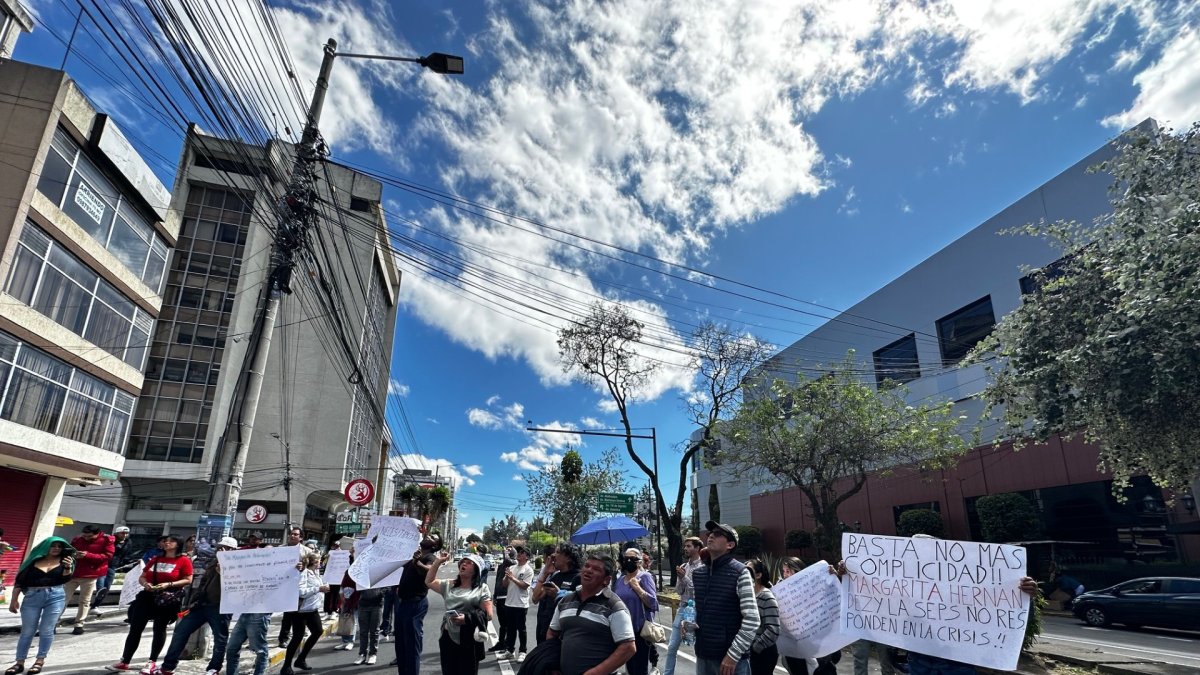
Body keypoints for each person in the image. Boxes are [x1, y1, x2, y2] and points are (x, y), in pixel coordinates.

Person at [111, 534, 194, 674]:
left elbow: (188, 579)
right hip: (147, 596)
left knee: (159, 629)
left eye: (171, 541)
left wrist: (169, 584)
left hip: (166, 598)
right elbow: (142, 575)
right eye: (165, 541)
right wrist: (145, 583)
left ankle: (152, 661)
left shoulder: (183, 560)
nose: (167, 543)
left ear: (178, 544)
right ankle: (125, 660)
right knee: (135, 628)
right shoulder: (156, 558)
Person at [158, 537, 238, 675]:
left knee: (220, 638)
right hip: (202, 605)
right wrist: (195, 601)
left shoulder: (238, 565)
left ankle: (214, 668)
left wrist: (224, 571)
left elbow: (236, 586)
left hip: (220, 607)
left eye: (226, 548)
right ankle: (168, 666)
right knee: (181, 632)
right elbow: (204, 583)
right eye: (220, 547)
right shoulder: (213, 562)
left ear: (233, 551)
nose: (221, 550)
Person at [546, 553, 637, 675]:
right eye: (587, 566)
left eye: (596, 569)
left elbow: (628, 647)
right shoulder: (565, 601)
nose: (588, 571)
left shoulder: (615, 607)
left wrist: (594, 673)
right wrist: (554, 665)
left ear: (606, 580)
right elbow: (552, 632)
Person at [693, 521, 760, 675]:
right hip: (703, 654)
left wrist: (733, 655)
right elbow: (699, 611)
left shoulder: (740, 572)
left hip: (731, 661)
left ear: (730, 545)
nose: (711, 536)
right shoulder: (698, 573)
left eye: (718, 534)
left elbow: (752, 619)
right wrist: (688, 623)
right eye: (710, 533)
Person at [6, 537, 76, 675]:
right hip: (32, 597)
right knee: (27, 631)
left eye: (59, 546)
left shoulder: (64, 561)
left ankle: (39, 661)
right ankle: (19, 663)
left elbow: (65, 579)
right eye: (53, 546)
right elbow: (20, 582)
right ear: (45, 547)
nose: (56, 548)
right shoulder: (33, 561)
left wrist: (68, 567)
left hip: (55, 596)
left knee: (46, 630)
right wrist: (14, 600)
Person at [425, 551, 493, 675]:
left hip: (468, 638)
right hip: (448, 636)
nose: (464, 564)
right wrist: (438, 562)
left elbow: (488, 614)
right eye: (463, 562)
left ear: (476, 570)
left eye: (469, 563)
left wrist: (467, 618)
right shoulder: (449, 585)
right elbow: (429, 582)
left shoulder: (482, 589)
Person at [393, 532, 441, 675]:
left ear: (435, 546)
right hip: (403, 603)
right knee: (400, 645)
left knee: (412, 646)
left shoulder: (430, 558)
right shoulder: (416, 555)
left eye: (433, 538)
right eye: (429, 535)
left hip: (415, 604)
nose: (428, 537)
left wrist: (417, 562)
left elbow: (431, 570)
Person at [280, 553, 328, 675]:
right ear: (313, 562)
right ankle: (286, 666)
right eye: (318, 561)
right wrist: (318, 589)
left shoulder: (316, 574)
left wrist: (323, 589)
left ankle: (301, 659)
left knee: (318, 631)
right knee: (297, 637)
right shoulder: (304, 573)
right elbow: (301, 592)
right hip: (300, 612)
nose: (320, 563)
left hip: (312, 610)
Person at [614, 547, 659, 675]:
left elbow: (653, 604)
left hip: (640, 631)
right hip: (623, 631)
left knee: (639, 669)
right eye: (626, 559)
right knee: (630, 667)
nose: (628, 561)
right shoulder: (619, 580)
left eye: (632, 559)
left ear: (639, 562)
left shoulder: (645, 577)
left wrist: (638, 588)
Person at [664, 535, 704, 675]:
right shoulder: (684, 566)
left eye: (689, 546)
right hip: (683, 608)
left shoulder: (703, 567)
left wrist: (684, 578)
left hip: (697, 609)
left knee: (698, 647)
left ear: (697, 548)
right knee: (672, 646)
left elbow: (698, 590)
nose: (685, 548)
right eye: (685, 546)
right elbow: (679, 591)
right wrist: (681, 579)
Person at [64, 524, 115, 635]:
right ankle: (52, 623)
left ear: (97, 534)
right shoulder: (78, 539)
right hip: (73, 573)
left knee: (84, 601)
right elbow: (69, 550)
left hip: (90, 574)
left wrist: (88, 555)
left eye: (90, 536)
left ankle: (79, 624)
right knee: (62, 599)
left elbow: (107, 556)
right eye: (85, 536)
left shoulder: (106, 540)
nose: (86, 538)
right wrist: (74, 555)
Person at [532, 543, 582, 644]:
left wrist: (559, 595)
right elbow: (535, 598)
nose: (553, 555)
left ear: (568, 558)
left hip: (560, 637)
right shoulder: (555, 576)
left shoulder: (579, 578)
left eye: (558, 552)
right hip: (544, 631)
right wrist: (545, 573)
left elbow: (579, 606)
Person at [277, 527, 313, 648]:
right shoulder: (281, 549)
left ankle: (297, 634)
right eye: (291, 534)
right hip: (283, 585)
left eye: (296, 534)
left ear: (301, 537)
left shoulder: (307, 551)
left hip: (299, 586)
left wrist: (303, 567)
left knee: (297, 613)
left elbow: (313, 568)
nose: (292, 536)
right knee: (287, 614)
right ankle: (283, 638)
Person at [498, 545, 534, 662]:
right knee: (511, 629)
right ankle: (510, 650)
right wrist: (507, 577)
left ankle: (523, 651)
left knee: (521, 629)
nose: (519, 554)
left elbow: (524, 586)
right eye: (518, 552)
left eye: (522, 552)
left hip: (521, 604)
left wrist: (512, 578)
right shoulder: (512, 567)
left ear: (527, 556)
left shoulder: (528, 569)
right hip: (509, 602)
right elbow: (504, 584)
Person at [745, 560, 780, 675]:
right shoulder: (747, 595)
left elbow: (773, 629)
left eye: (749, 570)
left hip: (762, 653)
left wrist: (755, 648)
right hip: (748, 651)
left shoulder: (766, 597)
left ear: (759, 575)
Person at [93, 526, 137, 615]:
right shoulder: (110, 540)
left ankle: (95, 606)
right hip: (103, 564)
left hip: (113, 566)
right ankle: (94, 605)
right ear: (117, 533)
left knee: (106, 587)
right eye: (122, 533)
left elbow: (125, 555)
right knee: (100, 586)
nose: (124, 535)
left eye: (126, 534)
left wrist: (130, 561)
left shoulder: (128, 543)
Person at [488, 547, 516, 656]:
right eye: (506, 550)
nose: (506, 551)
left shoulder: (512, 563)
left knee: (508, 623)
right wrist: (494, 596)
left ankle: (508, 645)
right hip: (499, 597)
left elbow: (509, 560)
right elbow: (497, 582)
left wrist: (507, 553)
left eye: (509, 550)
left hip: (507, 597)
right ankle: (501, 643)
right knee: (502, 623)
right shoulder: (501, 566)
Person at [353, 584, 385, 665]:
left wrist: (381, 592)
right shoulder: (362, 572)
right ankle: (362, 654)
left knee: (374, 631)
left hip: (377, 604)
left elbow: (387, 586)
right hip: (363, 604)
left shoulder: (379, 572)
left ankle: (373, 654)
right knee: (363, 631)